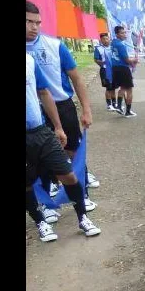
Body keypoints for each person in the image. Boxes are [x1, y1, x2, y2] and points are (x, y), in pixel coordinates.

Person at [26, 1, 99, 215]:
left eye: (37, 23)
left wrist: (86, 109)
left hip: (61, 105)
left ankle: (81, 196)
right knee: (36, 160)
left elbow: (76, 77)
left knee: (72, 151)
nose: (34, 27)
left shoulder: (54, 45)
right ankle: (45, 202)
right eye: (29, 22)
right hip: (33, 114)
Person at [26, 52, 101, 241]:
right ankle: (40, 222)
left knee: (67, 174)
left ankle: (83, 218)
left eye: (37, 22)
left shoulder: (29, 59)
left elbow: (43, 92)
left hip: (40, 130)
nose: (34, 26)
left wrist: (58, 126)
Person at [110, 25, 138, 117]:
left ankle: (118, 106)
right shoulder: (121, 45)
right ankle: (127, 111)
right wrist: (134, 61)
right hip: (123, 68)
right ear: (117, 34)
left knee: (122, 88)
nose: (124, 34)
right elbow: (126, 60)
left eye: (125, 32)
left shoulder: (113, 43)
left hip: (116, 68)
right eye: (122, 33)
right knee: (129, 90)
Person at [93, 33, 116, 112]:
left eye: (107, 38)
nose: (106, 40)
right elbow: (96, 59)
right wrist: (103, 63)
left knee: (113, 87)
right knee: (108, 88)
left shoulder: (112, 47)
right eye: (104, 39)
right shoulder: (98, 48)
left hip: (113, 69)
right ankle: (109, 105)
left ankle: (114, 103)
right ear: (101, 40)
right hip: (105, 70)